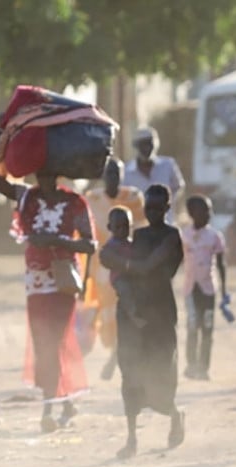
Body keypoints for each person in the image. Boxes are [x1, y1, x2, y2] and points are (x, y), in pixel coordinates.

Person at [0, 154, 95, 433]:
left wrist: (57, 241)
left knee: (53, 339)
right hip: (36, 281)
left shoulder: (74, 202)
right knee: (44, 339)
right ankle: (65, 400)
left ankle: (49, 405)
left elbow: (90, 245)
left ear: (57, 173)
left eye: (47, 173)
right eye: (38, 172)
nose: (42, 178)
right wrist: (1, 130)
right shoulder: (26, 197)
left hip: (63, 280)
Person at [99, 184, 186, 460]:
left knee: (161, 371)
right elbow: (110, 257)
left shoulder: (172, 236)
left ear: (168, 208)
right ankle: (132, 438)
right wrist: (118, 264)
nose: (153, 212)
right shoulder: (139, 235)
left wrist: (121, 265)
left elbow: (147, 266)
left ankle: (174, 414)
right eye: (149, 208)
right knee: (131, 372)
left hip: (160, 311)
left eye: (159, 208)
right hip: (133, 313)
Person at [85, 158, 145, 380]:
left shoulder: (133, 198)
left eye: (116, 173)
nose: (113, 178)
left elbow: (141, 230)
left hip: (127, 264)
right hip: (101, 267)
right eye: (109, 173)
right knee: (108, 316)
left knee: (126, 311)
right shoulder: (93, 199)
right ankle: (115, 354)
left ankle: (116, 359)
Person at [181, 195, 229, 380]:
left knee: (207, 328)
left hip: (208, 289)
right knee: (193, 327)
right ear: (193, 213)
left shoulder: (214, 237)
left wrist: (224, 290)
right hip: (190, 289)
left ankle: (204, 367)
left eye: (210, 211)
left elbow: (221, 264)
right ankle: (191, 366)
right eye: (205, 211)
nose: (209, 214)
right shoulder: (184, 236)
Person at [100, 207, 144, 328]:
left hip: (131, 277)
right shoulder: (111, 245)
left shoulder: (131, 243)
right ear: (110, 227)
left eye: (126, 226)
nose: (122, 230)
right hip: (119, 278)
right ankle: (134, 315)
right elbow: (104, 256)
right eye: (118, 227)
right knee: (125, 291)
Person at [123, 128, 185, 205]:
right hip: (138, 216)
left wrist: (166, 203)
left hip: (165, 216)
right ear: (136, 146)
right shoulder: (126, 171)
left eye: (149, 144)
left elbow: (178, 187)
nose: (147, 148)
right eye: (143, 144)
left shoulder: (168, 165)